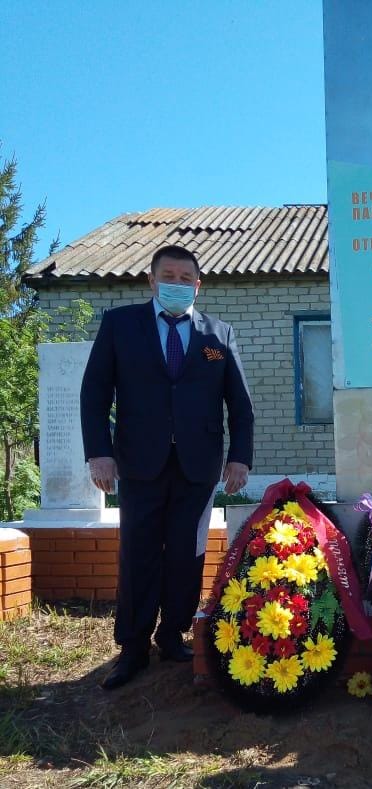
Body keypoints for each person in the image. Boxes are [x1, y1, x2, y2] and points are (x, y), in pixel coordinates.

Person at [81, 244, 254, 690]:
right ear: (152, 281)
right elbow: (95, 393)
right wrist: (99, 452)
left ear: (198, 285)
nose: (176, 284)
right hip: (138, 462)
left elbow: (240, 405)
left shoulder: (219, 336)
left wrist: (240, 457)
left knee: (187, 553)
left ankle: (173, 633)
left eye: (185, 278)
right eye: (168, 275)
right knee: (138, 553)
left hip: (198, 465)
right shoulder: (121, 325)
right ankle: (133, 647)